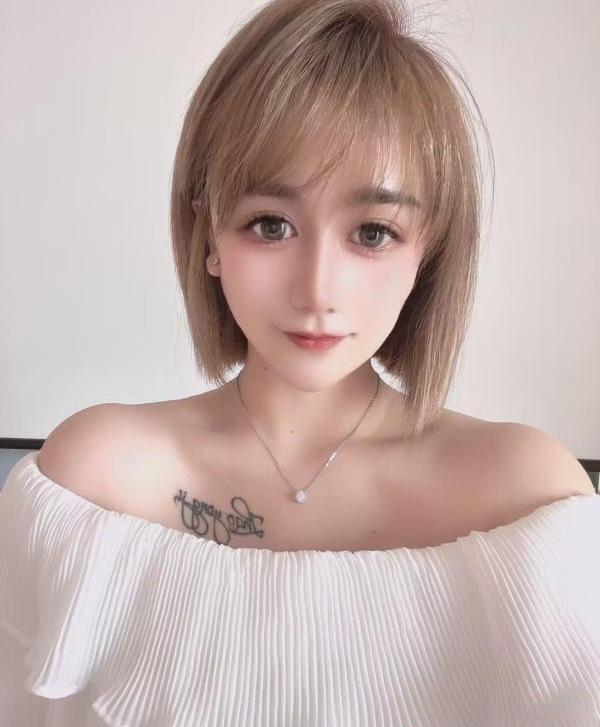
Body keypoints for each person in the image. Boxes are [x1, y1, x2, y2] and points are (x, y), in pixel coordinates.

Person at [1, 0, 598, 724]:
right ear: (209, 235)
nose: (317, 290)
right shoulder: (91, 486)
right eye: (271, 224)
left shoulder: (527, 503)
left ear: (428, 254)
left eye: (372, 233)